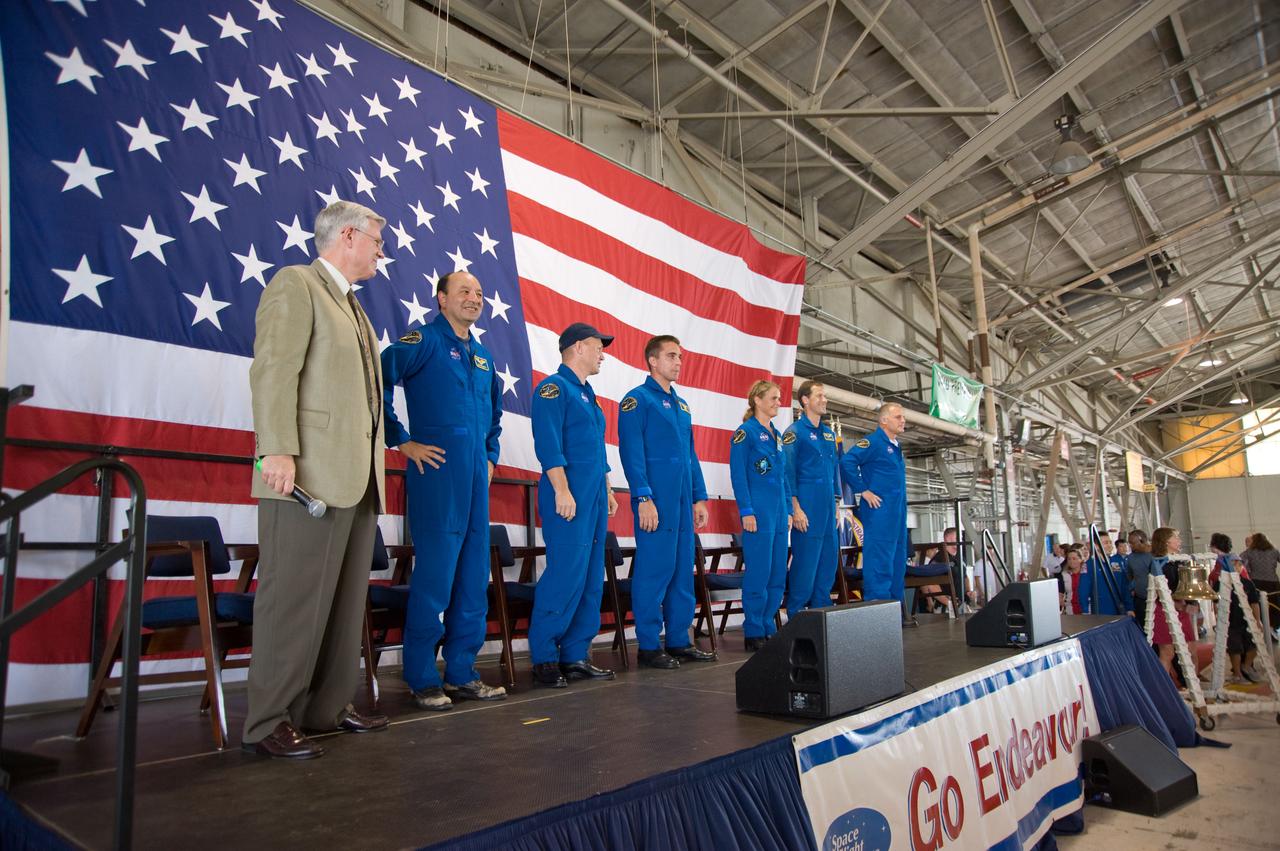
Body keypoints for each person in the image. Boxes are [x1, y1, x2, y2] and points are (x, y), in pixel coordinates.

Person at [244, 201, 390, 759]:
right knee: (294, 602)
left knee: (342, 602)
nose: (382, 251)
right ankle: (268, 721)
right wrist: (276, 449)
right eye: (376, 240)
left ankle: (324, 709)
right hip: (303, 476)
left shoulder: (355, 308)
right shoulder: (296, 284)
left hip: (354, 478)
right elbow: (274, 368)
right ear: (348, 235)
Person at [380, 271, 506, 710]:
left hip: (475, 481)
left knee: (473, 580)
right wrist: (400, 438)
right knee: (434, 579)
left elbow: (494, 417)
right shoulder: (424, 341)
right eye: (465, 292)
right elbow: (378, 377)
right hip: (437, 476)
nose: (474, 299)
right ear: (441, 299)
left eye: (480, 292)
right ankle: (420, 676)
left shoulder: (485, 358)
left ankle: (461, 673)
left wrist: (490, 456)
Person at [529, 323, 619, 687]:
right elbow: (548, 445)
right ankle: (545, 657)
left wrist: (608, 489)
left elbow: (596, 450)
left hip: (593, 495)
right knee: (565, 574)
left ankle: (575, 654)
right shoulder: (554, 388)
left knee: (590, 578)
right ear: (579, 347)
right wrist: (562, 491)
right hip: (567, 494)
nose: (603, 354)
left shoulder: (588, 395)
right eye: (599, 347)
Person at [617, 335, 715, 669]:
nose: (678, 362)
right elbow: (632, 453)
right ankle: (647, 645)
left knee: (681, 573)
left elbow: (691, 455)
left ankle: (678, 640)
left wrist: (699, 497)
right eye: (672, 356)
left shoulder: (682, 405)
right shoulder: (637, 400)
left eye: (681, 357)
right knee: (653, 572)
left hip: (682, 501)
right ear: (653, 361)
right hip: (655, 501)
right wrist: (642, 496)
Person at [729, 380, 792, 651]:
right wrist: (746, 510)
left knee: (778, 572)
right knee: (759, 571)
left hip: (778, 514)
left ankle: (768, 623)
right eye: (774, 398)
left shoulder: (777, 436)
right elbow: (738, 475)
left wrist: (789, 509)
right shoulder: (746, 433)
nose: (779, 402)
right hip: (758, 512)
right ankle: (753, 628)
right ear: (757, 400)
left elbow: (783, 477)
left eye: (779, 398)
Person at [840, 403, 910, 624]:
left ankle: (895, 611)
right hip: (880, 512)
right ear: (884, 421)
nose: (903, 420)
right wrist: (862, 490)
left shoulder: (895, 445)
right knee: (879, 560)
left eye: (903, 417)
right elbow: (847, 461)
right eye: (898, 417)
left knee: (897, 561)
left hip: (897, 512)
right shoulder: (872, 442)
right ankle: (879, 614)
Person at [782, 381, 841, 617]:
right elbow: (787, 473)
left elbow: (834, 471)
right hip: (807, 504)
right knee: (805, 564)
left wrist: (836, 505)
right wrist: (795, 508)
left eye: (825, 395)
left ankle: (822, 615)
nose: (824, 399)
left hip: (827, 507)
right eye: (819, 395)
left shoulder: (828, 434)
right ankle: (796, 615)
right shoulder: (794, 433)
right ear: (805, 400)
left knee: (828, 563)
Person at [1150, 527, 1195, 683]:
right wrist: (1177, 604)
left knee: (1190, 649)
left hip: (1181, 608)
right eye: (1176, 537)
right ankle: (1165, 688)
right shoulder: (1157, 563)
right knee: (1167, 652)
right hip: (1164, 609)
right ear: (1166, 541)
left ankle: (1191, 683)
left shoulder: (1181, 560)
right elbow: (1158, 590)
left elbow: (1189, 584)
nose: (1179, 540)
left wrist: (1191, 601)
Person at [1127, 529, 1154, 623]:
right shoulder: (1130, 558)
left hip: (1156, 599)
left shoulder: (1155, 555)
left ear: (1142, 541)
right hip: (1140, 599)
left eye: (1132, 543)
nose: (1130, 546)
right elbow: (1130, 576)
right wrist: (1132, 588)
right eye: (1129, 543)